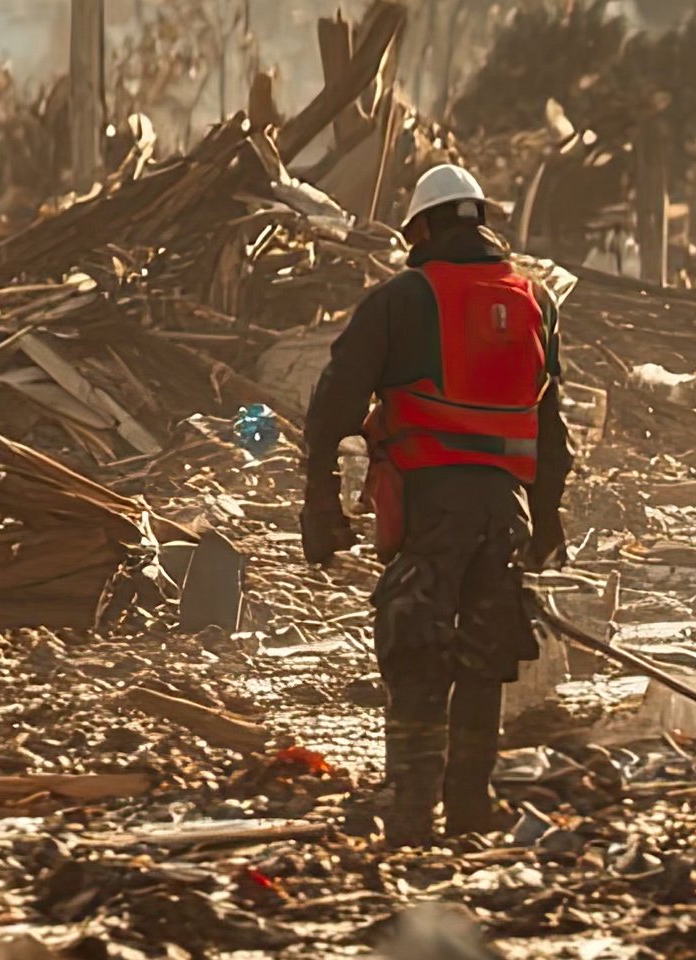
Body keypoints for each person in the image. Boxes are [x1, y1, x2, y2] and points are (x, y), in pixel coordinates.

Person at [298, 164, 574, 846]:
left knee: (416, 651)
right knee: (484, 657)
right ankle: (471, 812)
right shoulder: (536, 300)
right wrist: (547, 523)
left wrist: (319, 504)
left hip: (430, 508)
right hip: (502, 515)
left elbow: (332, 404)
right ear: (478, 218)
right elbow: (552, 431)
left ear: (421, 227)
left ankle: (414, 816)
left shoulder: (401, 300)